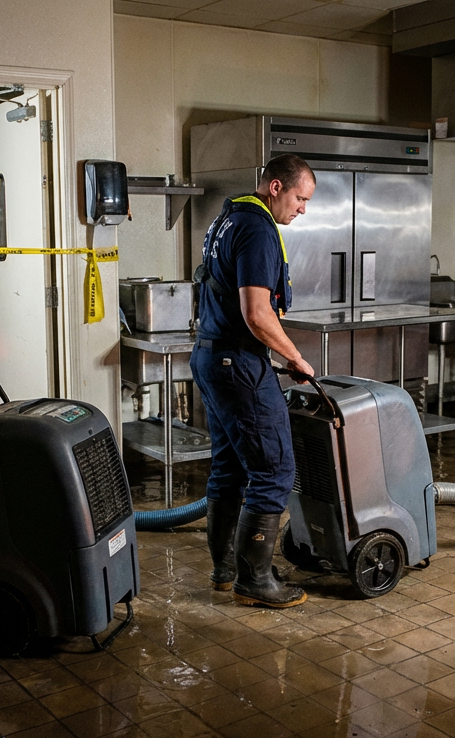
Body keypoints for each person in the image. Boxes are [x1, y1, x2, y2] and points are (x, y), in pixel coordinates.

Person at [191, 153, 317, 609]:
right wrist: (295, 357)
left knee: (230, 469)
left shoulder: (228, 217)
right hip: (238, 364)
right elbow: (257, 313)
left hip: (211, 355)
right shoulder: (259, 229)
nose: (302, 209)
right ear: (276, 187)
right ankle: (255, 580)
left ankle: (227, 570)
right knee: (275, 470)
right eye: (301, 198)